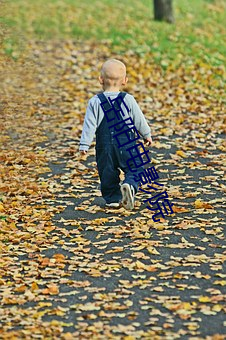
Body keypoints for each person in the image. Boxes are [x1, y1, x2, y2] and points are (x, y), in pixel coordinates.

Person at [79, 59, 152, 210]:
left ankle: (112, 199)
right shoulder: (128, 99)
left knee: (107, 172)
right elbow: (139, 119)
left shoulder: (95, 102)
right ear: (125, 81)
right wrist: (146, 134)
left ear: (101, 79)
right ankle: (130, 185)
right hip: (126, 143)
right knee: (136, 168)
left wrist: (84, 144)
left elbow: (89, 125)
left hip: (105, 146)